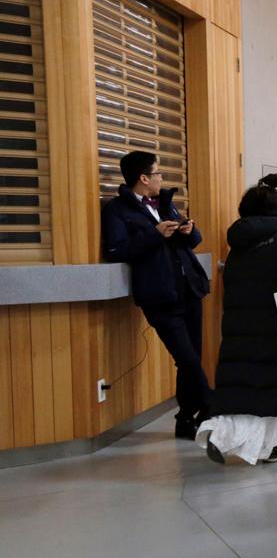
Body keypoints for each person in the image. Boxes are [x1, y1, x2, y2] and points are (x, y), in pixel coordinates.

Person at [196, 185, 277, 464]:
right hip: (276, 322)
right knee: (275, 386)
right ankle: (276, 444)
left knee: (241, 382)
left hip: (238, 322)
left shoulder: (237, 243)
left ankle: (222, 431)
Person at [101, 151, 211, 440]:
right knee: (187, 359)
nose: (162, 177)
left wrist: (188, 230)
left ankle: (186, 419)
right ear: (144, 178)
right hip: (159, 295)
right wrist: (155, 234)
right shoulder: (117, 210)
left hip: (189, 289)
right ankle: (213, 408)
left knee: (193, 358)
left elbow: (193, 243)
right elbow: (116, 251)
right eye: (158, 172)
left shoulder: (164, 203)